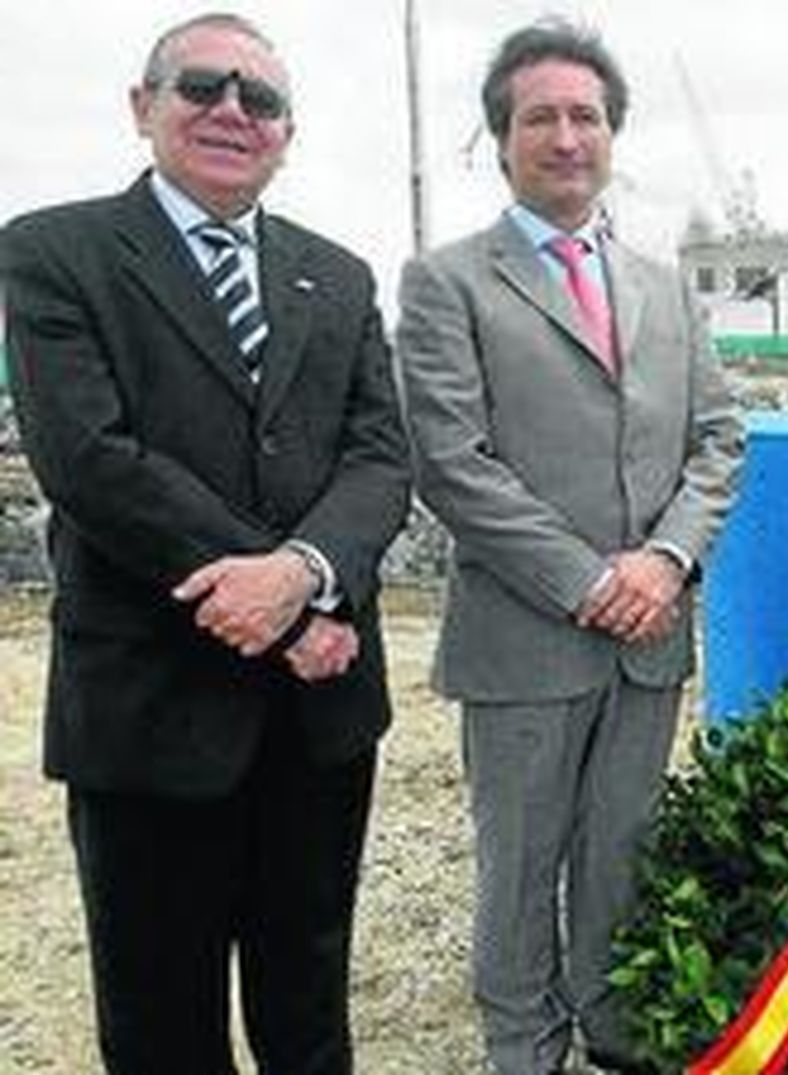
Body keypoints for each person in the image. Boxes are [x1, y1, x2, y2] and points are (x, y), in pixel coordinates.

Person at [0, 13, 411, 1074]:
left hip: (320, 719)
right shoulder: (54, 253)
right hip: (151, 710)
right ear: (144, 108)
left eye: (261, 98)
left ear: (288, 132)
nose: (233, 110)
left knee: (310, 1004)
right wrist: (291, 610)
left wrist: (307, 578)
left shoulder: (342, 274)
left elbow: (379, 459)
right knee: (160, 1019)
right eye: (202, 86)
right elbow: (90, 460)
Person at [395, 18, 744, 1075]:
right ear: (500, 138)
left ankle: (614, 1026)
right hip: (526, 637)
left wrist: (667, 561)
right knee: (519, 865)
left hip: (650, 634)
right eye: (538, 116)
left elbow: (718, 438)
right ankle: (523, 1044)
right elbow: (454, 465)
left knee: (621, 853)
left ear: (611, 135)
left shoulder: (662, 283)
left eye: (583, 115)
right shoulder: (444, 281)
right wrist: (593, 580)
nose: (564, 136)